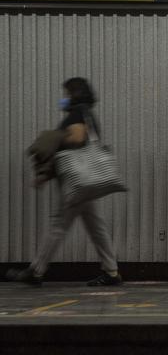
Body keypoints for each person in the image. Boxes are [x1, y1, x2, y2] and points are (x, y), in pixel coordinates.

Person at [6, 77, 122, 286]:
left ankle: (36, 271)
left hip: (77, 180)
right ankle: (112, 272)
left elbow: (77, 139)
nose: (64, 98)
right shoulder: (85, 112)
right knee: (96, 226)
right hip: (85, 181)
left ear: (75, 94)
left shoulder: (78, 112)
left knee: (58, 225)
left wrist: (54, 138)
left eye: (67, 94)